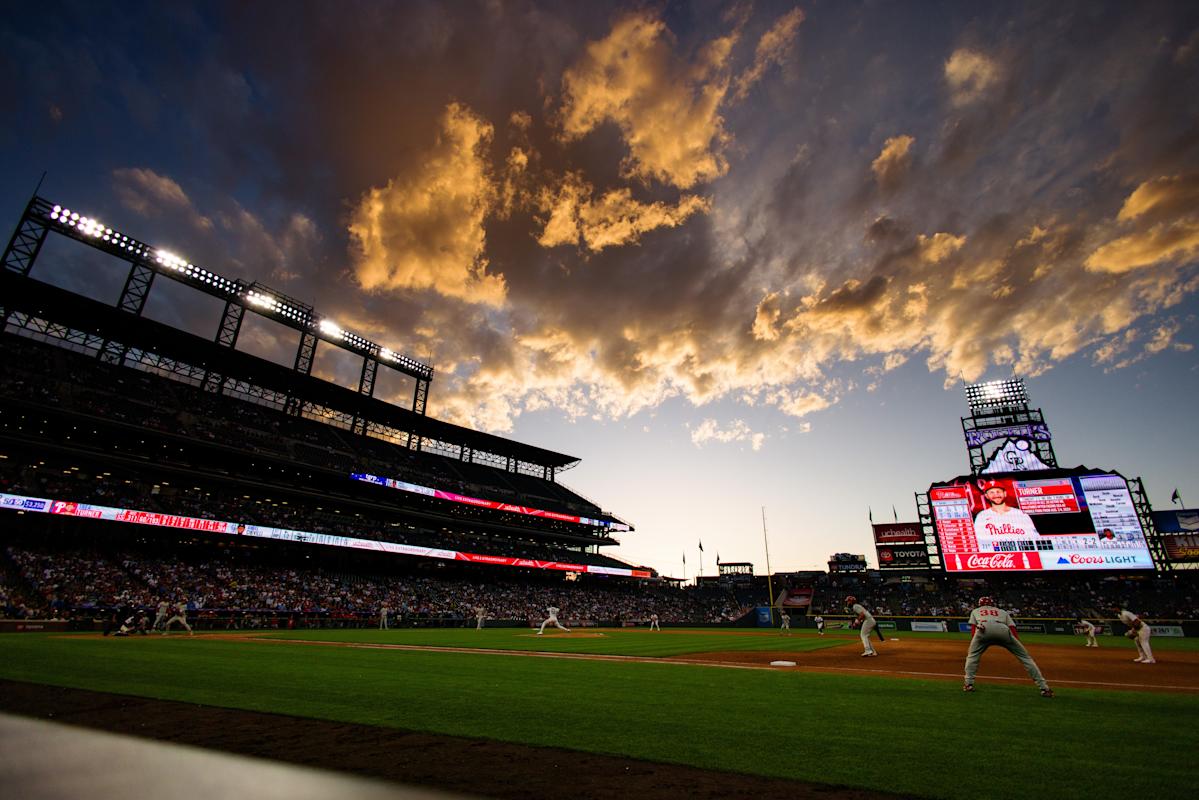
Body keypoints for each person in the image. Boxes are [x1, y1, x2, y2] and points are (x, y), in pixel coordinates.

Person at [963, 596, 1052, 697]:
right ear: (992, 604)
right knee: (1026, 658)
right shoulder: (1002, 611)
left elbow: (973, 629)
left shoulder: (976, 611)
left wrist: (976, 641)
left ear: (979, 604)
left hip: (983, 629)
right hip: (1002, 629)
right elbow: (1012, 627)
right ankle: (1044, 688)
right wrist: (1016, 643)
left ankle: (968, 684)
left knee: (972, 657)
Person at [973, 480, 1039, 540]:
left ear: (1005, 493)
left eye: (998, 491)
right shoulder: (982, 516)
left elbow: (1035, 538)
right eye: (991, 492)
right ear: (986, 496)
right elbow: (978, 540)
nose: (996, 495)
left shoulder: (1021, 514)